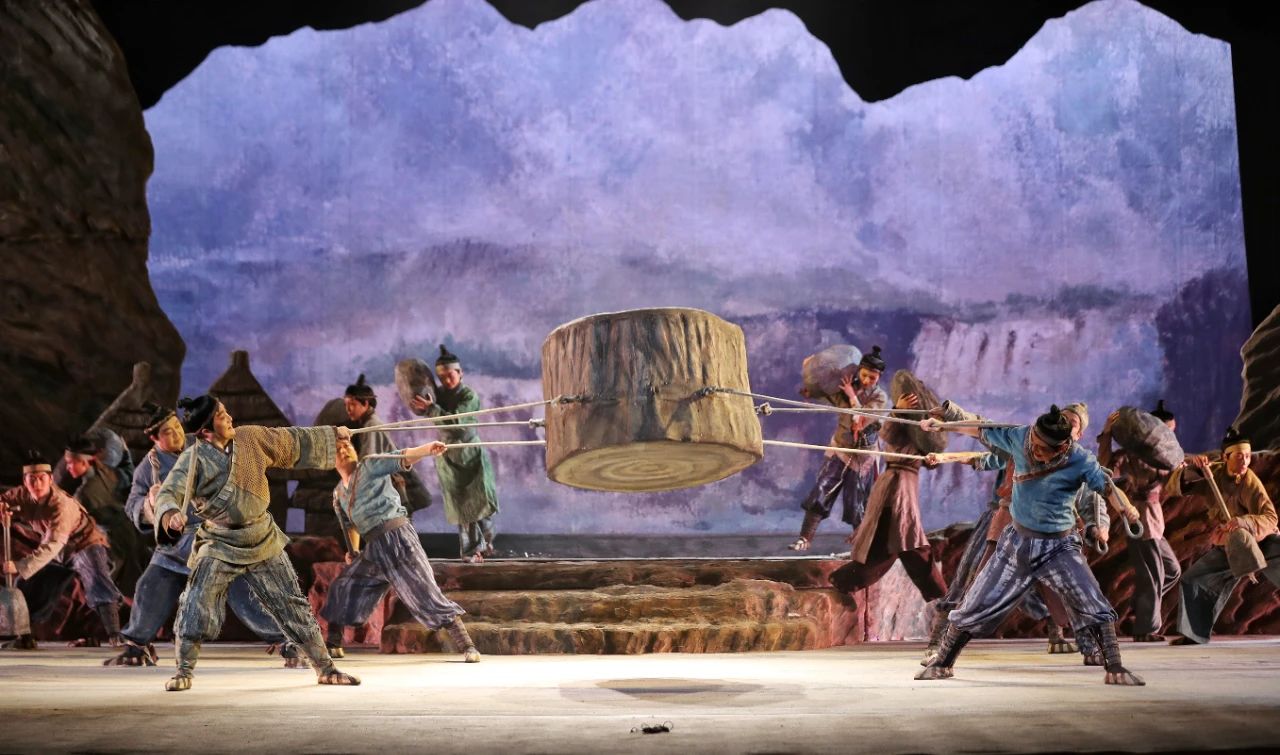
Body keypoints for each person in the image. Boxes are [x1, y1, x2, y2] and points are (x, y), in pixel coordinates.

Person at [915, 405, 1145, 685]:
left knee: (1091, 600)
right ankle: (942, 663)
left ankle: (1115, 667)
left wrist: (1127, 509)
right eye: (1034, 443)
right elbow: (981, 429)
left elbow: (1107, 487)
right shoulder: (1021, 437)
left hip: (1059, 548)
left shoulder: (1080, 460)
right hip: (1016, 544)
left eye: (1042, 449)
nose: (1034, 451)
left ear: (1063, 447)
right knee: (975, 602)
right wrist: (943, 425)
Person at [151, 395, 359, 691]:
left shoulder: (250, 438)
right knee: (196, 601)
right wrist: (170, 514)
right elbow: (168, 493)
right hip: (219, 541)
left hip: (261, 536)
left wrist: (331, 435)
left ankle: (325, 668)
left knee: (292, 603)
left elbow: (290, 440)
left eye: (226, 412)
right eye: (221, 416)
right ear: (205, 430)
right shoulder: (192, 459)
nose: (229, 418)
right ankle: (184, 670)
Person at [105, 403, 297, 667]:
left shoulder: (203, 445)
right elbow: (133, 505)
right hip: (175, 545)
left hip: (216, 538)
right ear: (155, 439)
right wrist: (151, 505)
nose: (177, 434)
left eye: (177, 427)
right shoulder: (149, 468)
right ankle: (137, 646)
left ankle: (287, 639)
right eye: (168, 432)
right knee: (150, 587)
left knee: (242, 589)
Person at [321, 437, 479, 661]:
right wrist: (353, 552)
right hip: (374, 549)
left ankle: (468, 646)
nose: (344, 450)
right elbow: (350, 526)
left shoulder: (369, 465)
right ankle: (333, 644)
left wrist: (427, 449)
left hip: (397, 538)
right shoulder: (339, 493)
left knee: (423, 592)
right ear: (330, 459)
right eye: (338, 449)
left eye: (347, 446)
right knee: (344, 586)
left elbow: (401, 457)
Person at [828, 391, 947, 603]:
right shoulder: (902, 425)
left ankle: (843, 581)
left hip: (905, 485)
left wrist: (932, 453)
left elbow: (930, 459)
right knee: (906, 542)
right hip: (895, 486)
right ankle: (941, 596)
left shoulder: (920, 433)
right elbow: (887, 434)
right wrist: (897, 410)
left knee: (891, 545)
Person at [1166, 427, 1278, 645]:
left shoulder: (1250, 480)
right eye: (1239, 456)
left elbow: (1270, 517)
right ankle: (1193, 634)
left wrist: (1243, 522)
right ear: (1225, 457)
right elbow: (1176, 485)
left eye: (1248, 456)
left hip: (1260, 539)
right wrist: (1195, 469)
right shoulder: (1213, 473)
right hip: (1230, 542)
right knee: (1194, 579)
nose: (1245, 461)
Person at [0, 451, 123, 649]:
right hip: (58, 552)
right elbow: (5, 499)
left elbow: (53, 544)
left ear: (50, 479)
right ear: (25, 481)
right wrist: (2, 508)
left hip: (83, 543)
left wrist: (21, 565)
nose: (37, 484)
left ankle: (115, 634)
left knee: (97, 582)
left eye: (42, 478)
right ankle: (24, 636)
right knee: (26, 584)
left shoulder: (61, 504)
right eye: (32, 479)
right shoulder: (22, 494)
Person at [789, 345, 890, 551]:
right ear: (859, 370)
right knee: (822, 489)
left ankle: (864, 544)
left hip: (862, 455)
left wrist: (852, 396)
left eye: (872, 378)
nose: (867, 380)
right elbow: (831, 394)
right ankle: (805, 538)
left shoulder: (880, 397)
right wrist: (812, 390)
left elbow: (863, 418)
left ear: (878, 377)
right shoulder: (846, 385)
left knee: (857, 500)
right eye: (864, 375)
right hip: (840, 449)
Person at [1097, 400, 1181, 642]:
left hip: (1156, 521)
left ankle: (1141, 604)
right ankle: (1146, 629)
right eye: (1166, 431)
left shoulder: (1167, 459)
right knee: (1153, 575)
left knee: (1172, 571)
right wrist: (1107, 435)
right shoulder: (1131, 456)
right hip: (1141, 519)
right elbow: (1104, 468)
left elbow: (1179, 474)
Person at [410, 345, 501, 562]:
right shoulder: (439, 395)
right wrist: (423, 405)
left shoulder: (469, 396)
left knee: (481, 505)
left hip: (471, 455)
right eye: (442, 378)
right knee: (463, 509)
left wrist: (432, 409)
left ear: (460, 373)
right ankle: (472, 551)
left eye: (450, 375)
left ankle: (486, 543)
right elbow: (427, 407)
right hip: (448, 457)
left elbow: (457, 423)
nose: (446, 380)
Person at [63, 435, 144, 596]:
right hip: (132, 527)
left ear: (84, 462)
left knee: (125, 579)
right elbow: (129, 474)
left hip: (116, 538)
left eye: (70, 463)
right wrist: (125, 454)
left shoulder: (83, 494)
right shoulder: (109, 473)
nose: (67, 468)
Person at [342, 374, 431, 512]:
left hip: (394, 483)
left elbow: (367, 461)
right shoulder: (367, 423)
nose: (348, 409)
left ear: (366, 404)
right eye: (346, 405)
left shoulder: (371, 425)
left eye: (352, 404)